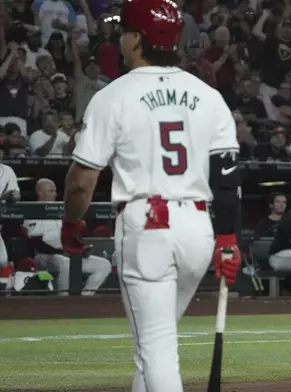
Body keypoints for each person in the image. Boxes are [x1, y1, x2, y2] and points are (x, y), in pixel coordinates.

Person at [59, 0, 241, 390]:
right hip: (197, 228)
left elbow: (79, 181)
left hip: (148, 228)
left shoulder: (114, 95)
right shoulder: (208, 95)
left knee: (156, 349)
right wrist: (227, 239)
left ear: (138, 40)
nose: (121, 39)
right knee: (153, 342)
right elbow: (227, 179)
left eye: (125, 32)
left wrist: (72, 221)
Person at [25, 178, 111, 295]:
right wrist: (65, 251)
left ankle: (85, 297)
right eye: (51, 191)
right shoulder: (32, 211)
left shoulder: (61, 210)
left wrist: (81, 249)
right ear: (40, 192)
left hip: (67, 254)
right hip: (45, 256)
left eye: (55, 191)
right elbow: (36, 242)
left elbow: (72, 234)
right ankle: (63, 298)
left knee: (104, 265)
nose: (55, 193)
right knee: (66, 263)